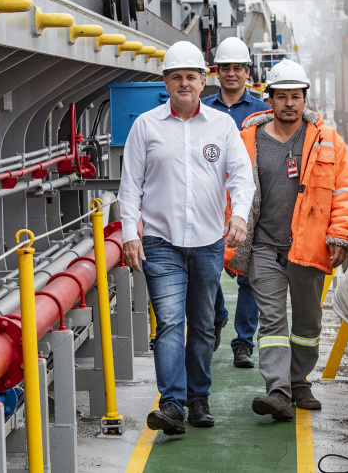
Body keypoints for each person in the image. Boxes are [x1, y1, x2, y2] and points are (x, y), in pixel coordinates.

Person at [118, 41, 255, 435]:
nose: (184, 83)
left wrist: (240, 216)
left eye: (190, 77)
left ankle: (199, 399)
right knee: (170, 324)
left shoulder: (221, 126)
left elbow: (241, 177)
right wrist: (131, 235)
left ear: (202, 80)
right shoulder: (146, 126)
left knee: (203, 325)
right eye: (176, 77)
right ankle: (173, 404)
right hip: (161, 243)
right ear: (165, 82)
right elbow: (130, 187)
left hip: (209, 242)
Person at [223, 60, 348, 421]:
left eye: (295, 97)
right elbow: (231, 191)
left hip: (310, 245)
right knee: (271, 323)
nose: (289, 104)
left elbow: (345, 193)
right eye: (281, 96)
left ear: (304, 99)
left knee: (308, 323)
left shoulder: (327, 140)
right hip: (265, 248)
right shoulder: (248, 140)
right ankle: (278, 391)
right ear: (269, 99)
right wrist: (233, 242)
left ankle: (300, 382)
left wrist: (340, 236)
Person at [200, 37, 270, 369]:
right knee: (206, 271)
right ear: (216, 72)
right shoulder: (202, 109)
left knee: (249, 276)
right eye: (225, 68)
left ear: (247, 71)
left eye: (237, 68)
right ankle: (217, 316)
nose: (231, 74)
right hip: (209, 202)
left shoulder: (262, 112)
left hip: (250, 204)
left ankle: (243, 343)